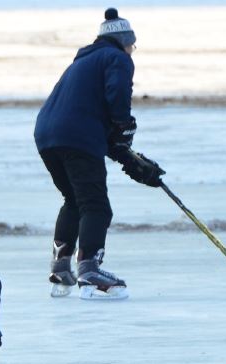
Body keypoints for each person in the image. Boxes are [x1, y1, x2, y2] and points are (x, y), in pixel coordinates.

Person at [35, 7, 165, 301]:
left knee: (74, 200)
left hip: (46, 134)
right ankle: (90, 271)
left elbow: (87, 111)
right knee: (96, 206)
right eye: (133, 43)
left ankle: (61, 267)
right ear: (124, 39)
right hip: (77, 136)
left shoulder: (84, 61)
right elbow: (117, 94)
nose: (133, 50)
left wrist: (123, 151)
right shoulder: (117, 57)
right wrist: (123, 125)